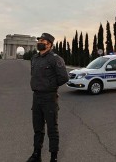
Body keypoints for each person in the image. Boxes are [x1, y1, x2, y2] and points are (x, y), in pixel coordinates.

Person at [27, 33, 69, 162]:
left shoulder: (55, 59)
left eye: (43, 40)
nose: (40, 42)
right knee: (37, 128)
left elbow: (64, 77)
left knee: (52, 128)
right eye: (39, 40)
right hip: (37, 97)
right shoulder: (35, 58)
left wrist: (49, 86)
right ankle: (36, 154)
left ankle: (53, 157)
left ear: (49, 44)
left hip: (49, 98)